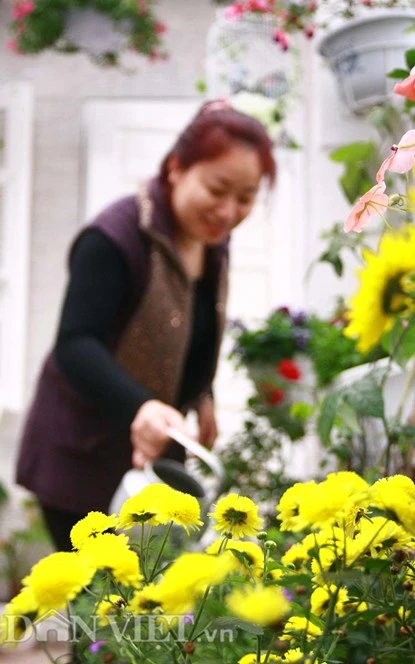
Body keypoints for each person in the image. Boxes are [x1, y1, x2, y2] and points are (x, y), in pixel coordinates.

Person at [15, 99, 276, 551]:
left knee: (146, 600)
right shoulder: (115, 237)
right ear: (176, 168)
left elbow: (196, 325)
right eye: (217, 189)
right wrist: (141, 407)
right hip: (83, 454)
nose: (228, 211)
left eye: (246, 197)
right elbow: (75, 345)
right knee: (102, 600)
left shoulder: (212, 241)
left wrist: (201, 393)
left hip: (150, 453)